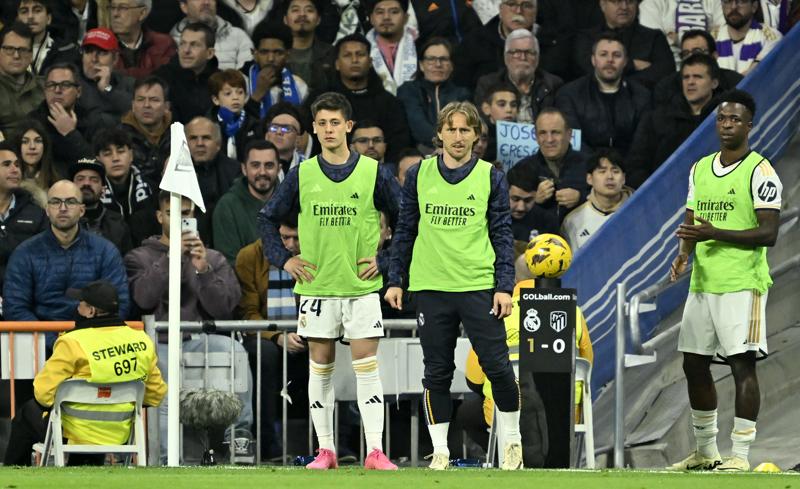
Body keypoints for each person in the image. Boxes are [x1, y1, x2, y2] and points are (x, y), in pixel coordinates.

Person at [257, 92, 400, 470]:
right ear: (313, 129)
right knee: (320, 368)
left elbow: (407, 220)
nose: (329, 129)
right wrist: (285, 259)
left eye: (335, 122)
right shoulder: (302, 174)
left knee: (367, 368)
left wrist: (385, 260)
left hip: (361, 287)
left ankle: (375, 451)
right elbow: (266, 218)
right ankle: (326, 450)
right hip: (317, 287)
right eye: (321, 123)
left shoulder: (372, 171)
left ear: (348, 126)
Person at [384, 101, 523, 470]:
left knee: (498, 367)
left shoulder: (491, 176)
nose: (458, 136)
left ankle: (512, 443)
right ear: (439, 134)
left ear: (476, 136)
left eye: (465, 130)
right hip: (431, 286)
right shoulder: (419, 174)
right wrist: (395, 279)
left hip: (478, 285)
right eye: (452, 129)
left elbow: (502, 233)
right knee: (436, 372)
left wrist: (504, 285)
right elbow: (405, 229)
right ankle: (441, 451)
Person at [668, 89, 782, 472]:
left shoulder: (761, 171)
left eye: (735, 119)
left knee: (741, 366)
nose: (727, 125)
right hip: (703, 283)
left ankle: (741, 456)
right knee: (693, 365)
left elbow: (769, 233)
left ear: (749, 126)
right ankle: (706, 451)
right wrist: (683, 254)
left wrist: (715, 233)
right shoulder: (700, 168)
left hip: (742, 283)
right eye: (721, 118)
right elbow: (692, 219)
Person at [124, 191, 250, 459]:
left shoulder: (213, 258)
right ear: (159, 216)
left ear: (194, 217)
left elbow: (224, 308)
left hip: (199, 341)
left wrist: (204, 270)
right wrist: (171, 257)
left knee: (235, 351)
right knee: (163, 390)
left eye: (186, 214)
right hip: (159, 343)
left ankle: (240, 437)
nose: (180, 219)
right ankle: (164, 458)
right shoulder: (139, 256)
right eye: (172, 213)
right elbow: (143, 299)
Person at [2, 280, 167, 466]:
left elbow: (43, 394)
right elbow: (156, 394)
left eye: (80, 304)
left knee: (26, 414)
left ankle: (14, 474)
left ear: (91, 311)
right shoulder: (141, 341)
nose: (77, 308)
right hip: (119, 431)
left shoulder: (73, 341)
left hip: (75, 432)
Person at [3, 180, 131, 344]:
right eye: (56, 202)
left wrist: (83, 341)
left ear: (81, 210)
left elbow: (119, 303)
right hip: (40, 347)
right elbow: (15, 307)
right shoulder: (25, 253)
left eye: (70, 202)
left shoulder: (106, 251)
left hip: (93, 344)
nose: (63, 208)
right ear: (47, 210)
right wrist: (53, 342)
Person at [235, 218, 309, 459]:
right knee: (263, 355)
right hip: (264, 334)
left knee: (328, 350)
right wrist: (277, 337)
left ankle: (331, 444)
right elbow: (248, 312)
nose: (290, 245)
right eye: (284, 238)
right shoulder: (249, 256)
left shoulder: (315, 252)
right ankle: (268, 444)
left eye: (297, 238)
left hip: (307, 330)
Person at [306, 33, 411, 163]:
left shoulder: (389, 103)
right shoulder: (319, 100)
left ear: (370, 62)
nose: (354, 60)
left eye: (360, 54)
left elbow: (399, 143)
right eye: (347, 55)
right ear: (337, 64)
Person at [626, 53, 721, 188]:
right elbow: (636, 165)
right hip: (664, 195)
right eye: (686, 77)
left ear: (714, 83)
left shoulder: (726, 120)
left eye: (697, 77)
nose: (690, 82)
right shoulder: (656, 119)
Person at [556, 32, 651, 157]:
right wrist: (597, 165)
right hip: (583, 165)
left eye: (616, 55)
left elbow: (641, 144)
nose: (610, 60)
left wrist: (619, 166)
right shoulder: (570, 94)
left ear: (625, 62)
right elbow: (574, 142)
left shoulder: (642, 95)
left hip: (628, 166)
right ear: (593, 60)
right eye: (603, 54)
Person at [572, 0, 675, 89]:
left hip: (642, 100)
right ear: (603, 4)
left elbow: (665, 71)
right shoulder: (586, 38)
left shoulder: (654, 37)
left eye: (630, 1)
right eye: (617, 1)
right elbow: (587, 69)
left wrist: (623, 84)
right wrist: (632, 65)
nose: (624, 7)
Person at [512, 108, 588, 223]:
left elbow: (607, 201)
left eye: (555, 132)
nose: (549, 139)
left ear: (569, 134)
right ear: (536, 136)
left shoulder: (588, 165)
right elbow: (511, 216)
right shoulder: (522, 168)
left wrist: (581, 198)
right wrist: (534, 202)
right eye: (543, 133)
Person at [397, 37, 470, 154]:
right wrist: (445, 145)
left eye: (444, 59)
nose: (438, 64)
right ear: (421, 65)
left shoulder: (462, 94)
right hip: (417, 154)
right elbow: (418, 125)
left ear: (452, 65)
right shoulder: (408, 90)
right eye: (431, 59)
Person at [213, 139, 281, 264]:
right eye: (255, 165)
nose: (262, 172)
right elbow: (228, 263)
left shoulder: (294, 201)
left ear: (279, 169)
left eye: (269, 165)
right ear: (244, 169)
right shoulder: (227, 206)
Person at [474, 29, 562, 124]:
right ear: (505, 57)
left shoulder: (553, 84)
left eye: (529, 52)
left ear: (537, 57)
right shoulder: (488, 84)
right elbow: (482, 123)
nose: (523, 58)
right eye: (516, 52)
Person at [0, 141, 48, 304]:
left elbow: (45, 261)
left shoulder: (36, 213)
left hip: (26, 298)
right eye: (7, 164)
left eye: (17, 165)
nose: (15, 170)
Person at [452, 0, 537, 91]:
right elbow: (461, 88)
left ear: (535, 12)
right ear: (500, 9)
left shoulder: (547, 42)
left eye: (527, 5)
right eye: (511, 4)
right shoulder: (474, 42)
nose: (518, 11)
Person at [27, 62, 94, 175]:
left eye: (65, 85)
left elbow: (94, 164)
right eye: (51, 85)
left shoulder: (92, 119)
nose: (57, 90)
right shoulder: (32, 122)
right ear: (44, 91)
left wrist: (70, 133)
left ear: (78, 91)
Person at [561, 148, 632, 250]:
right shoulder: (573, 221)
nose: (610, 176)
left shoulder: (640, 212)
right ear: (589, 178)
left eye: (615, 171)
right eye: (602, 171)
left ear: (624, 178)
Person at [652, 29, 743, 107]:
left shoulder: (736, 83)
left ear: (714, 56)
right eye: (686, 53)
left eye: (697, 52)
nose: (691, 58)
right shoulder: (665, 88)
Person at [241, 22, 308, 120]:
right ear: (254, 54)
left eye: (278, 52)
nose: (271, 59)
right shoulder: (240, 83)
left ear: (288, 55)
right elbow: (234, 125)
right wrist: (258, 94)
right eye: (264, 52)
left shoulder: (299, 86)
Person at [76, 28, 136, 133]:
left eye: (102, 52)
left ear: (115, 59)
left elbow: (140, 110)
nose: (94, 59)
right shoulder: (70, 84)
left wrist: (107, 89)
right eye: (88, 51)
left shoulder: (129, 84)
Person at [70, 157, 133, 255]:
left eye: (94, 179)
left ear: (103, 190)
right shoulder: (59, 218)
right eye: (80, 179)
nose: (86, 183)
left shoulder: (118, 224)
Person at [170, 0, 253, 70]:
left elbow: (247, 77)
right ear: (184, 6)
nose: (206, 2)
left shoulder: (238, 37)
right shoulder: (172, 41)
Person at [119, 75, 172, 186]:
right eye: (140, 100)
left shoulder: (178, 136)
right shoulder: (119, 137)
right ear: (133, 105)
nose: (146, 105)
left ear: (166, 106)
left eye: (154, 100)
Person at [638, 0, 725, 66]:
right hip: (670, 70)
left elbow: (724, 34)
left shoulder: (715, 2)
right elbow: (656, 46)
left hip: (710, 68)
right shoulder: (651, 4)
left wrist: (677, 39)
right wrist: (709, 36)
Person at [94, 127, 153, 221]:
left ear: (131, 155)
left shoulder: (151, 189)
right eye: (107, 154)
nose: (115, 158)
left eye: (121, 151)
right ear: (99, 160)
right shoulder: (93, 193)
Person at [110, 0, 177, 79]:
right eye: (112, 7)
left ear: (142, 13)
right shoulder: (101, 44)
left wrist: (116, 75)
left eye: (123, 8)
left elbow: (165, 78)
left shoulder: (164, 44)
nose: (115, 14)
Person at [0, 22, 44, 139]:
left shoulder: (46, 87)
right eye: (9, 49)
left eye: (23, 50)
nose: (16, 56)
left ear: (31, 55)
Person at [713, 0, 782, 75]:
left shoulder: (771, 37)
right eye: (727, 1)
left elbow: (753, 77)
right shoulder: (712, 38)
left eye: (741, 1)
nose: (733, 7)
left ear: (754, 6)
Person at [365, 0, 417, 95]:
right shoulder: (361, 50)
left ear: (406, 18)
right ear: (371, 18)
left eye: (394, 12)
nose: (386, 17)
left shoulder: (421, 46)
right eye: (380, 12)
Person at [16, 0, 81, 76]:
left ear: (48, 18)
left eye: (37, 10)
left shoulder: (66, 51)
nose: (30, 16)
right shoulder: (6, 51)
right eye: (24, 12)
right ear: (17, 19)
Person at [283, 0, 335, 93]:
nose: (302, 14)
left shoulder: (332, 54)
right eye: (295, 10)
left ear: (318, 19)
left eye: (309, 10)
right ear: (285, 19)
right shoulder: (276, 53)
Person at [208, 69, 260, 161]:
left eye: (240, 92)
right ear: (216, 100)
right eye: (228, 94)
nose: (235, 97)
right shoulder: (207, 126)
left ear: (245, 96)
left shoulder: (255, 125)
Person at [505, 162, 559, 248]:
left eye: (528, 200)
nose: (521, 208)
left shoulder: (548, 222)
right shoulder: (490, 218)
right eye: (515, 199)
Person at [12, 118, 59, 204]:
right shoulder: (9, 181)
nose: (32, 146)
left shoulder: (57, 182)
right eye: (25, 141)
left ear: (45, 146)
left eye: (38, 141)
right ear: (18, 146)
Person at [262, 102, 307, 175]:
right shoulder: (253, 165)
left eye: (286, 129)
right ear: (266, 136)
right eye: (274, 128)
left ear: (298, 139)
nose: (279, 132)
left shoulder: (310, 169)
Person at [480, 82, 519, 163]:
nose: (509, 110)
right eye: (502, 104)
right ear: (486, 108)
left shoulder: (526, 137)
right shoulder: (480, 136)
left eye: (513, 105)